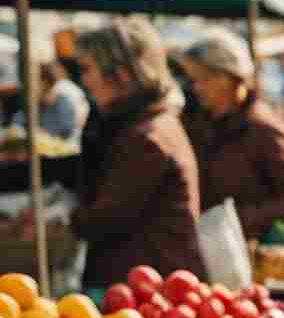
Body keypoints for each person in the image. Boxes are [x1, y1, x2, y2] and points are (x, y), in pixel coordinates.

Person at [68, 18, 206, 285]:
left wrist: (68, 221)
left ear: (121, 73)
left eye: (87, 69)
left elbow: (105, 218)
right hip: (145, 279)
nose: (85, 81)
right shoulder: (146, 124)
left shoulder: (147, 138)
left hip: (147, 288)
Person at [179, 30, 284, 242]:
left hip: (249, 250)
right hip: (209, 245)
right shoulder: (196, 124)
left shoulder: (263, 128)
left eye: (201, 79)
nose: (196, 88)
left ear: (226, 78)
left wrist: (237, 219)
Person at [35, 61, 89, 142]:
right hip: (78, 124)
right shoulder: (65, 84)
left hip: (73, 129)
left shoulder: (61, 87)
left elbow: (48, 100)